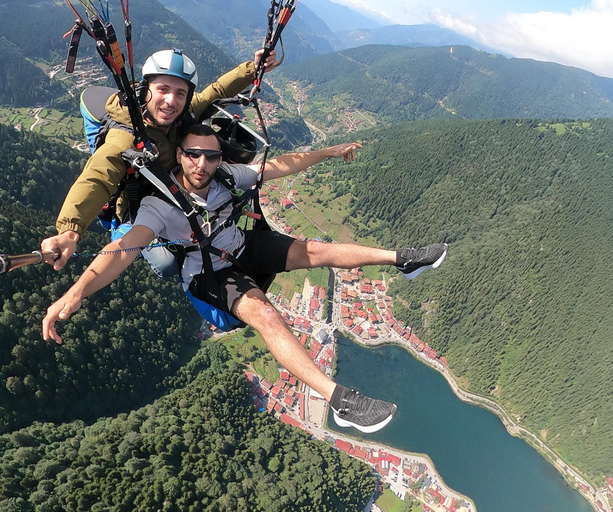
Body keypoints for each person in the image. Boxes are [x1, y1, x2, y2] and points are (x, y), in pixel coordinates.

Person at [42, 124, 449, 433]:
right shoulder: (158, 207)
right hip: (207, 273)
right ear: (179, 156)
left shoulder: (226, 176)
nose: (201, 165)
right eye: (192, 155)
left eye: (210, 156)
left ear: (220, 159)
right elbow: (123, 250)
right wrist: (78, 290)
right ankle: (339, 400)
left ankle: (404, 259)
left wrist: (331, 151)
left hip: (239, 246)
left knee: (316, 250)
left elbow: (281, 166)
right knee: (267, 316)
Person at [41, 48, 280, 271]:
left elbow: (217, 91)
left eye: (180, 93)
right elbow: (98, 177)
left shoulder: (182, 114)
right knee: (167, 264)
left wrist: (253, 68)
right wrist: (70, 230)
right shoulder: (126, 139)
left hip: (171, 187)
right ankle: (120, 229)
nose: (171, 101)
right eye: (163, 89)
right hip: (139, 206)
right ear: (146, 90)